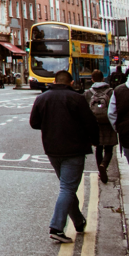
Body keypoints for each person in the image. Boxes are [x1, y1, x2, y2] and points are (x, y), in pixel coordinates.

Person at [30, 69, 98, 243]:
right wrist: (96, 141)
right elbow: (90, 123)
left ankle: (79, 221)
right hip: (74, 150)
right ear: (71, 83)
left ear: (54, 81)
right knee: (67, 188)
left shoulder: (42, 98)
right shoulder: (77, 98)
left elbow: (34, 123)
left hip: (52, 149)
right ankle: (57, 227)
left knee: (67, 187)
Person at [85, 70, 117, 183]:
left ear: (92, 79)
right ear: (103, 79)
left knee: (98, 148)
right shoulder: (111, 92)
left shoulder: (88, 93)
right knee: (109, 148)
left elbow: (85, 111)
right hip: (108, 123)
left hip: (95, 125)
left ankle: (100, 170)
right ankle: (104, 165)